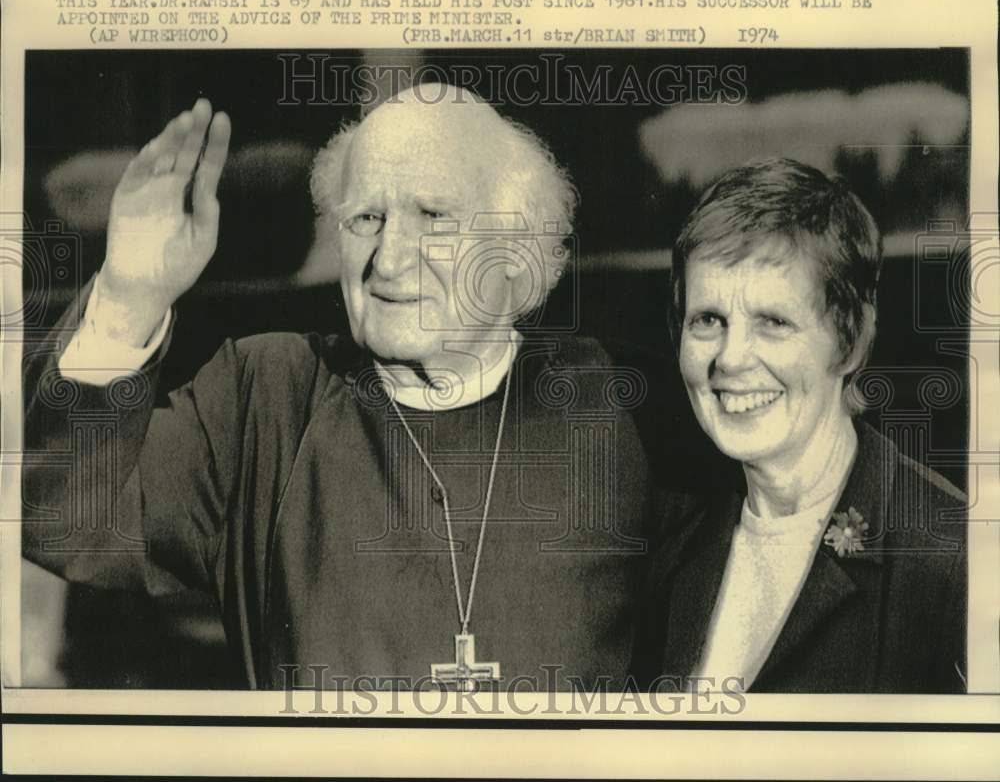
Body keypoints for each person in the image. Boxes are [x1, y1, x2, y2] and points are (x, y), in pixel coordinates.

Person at [23, 84, 687, 692]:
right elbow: (68, 523)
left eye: (433, 215)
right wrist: (128, 294)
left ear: (516, 246)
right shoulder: (267, 398)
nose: (391, 258)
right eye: (366, 218)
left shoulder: (625, 405)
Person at [632, 158, 967, 694]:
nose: (730, 359)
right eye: (708, 320)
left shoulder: (954, 559)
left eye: (774, 322)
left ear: (850, 342)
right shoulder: (677, 553)